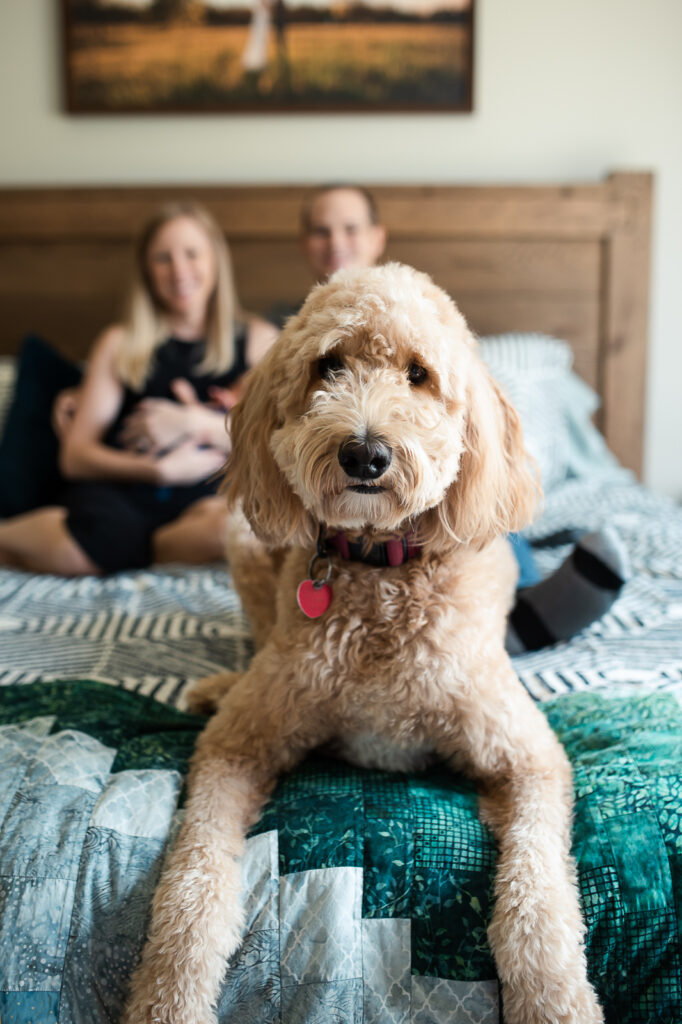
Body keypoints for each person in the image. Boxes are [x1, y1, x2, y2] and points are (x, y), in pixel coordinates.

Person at [270, 184, 631, 651]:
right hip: (324, 508)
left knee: (474, 474)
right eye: (321, 230)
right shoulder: (283, 327)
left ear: (377, 237)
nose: (336, 241)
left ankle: (515, 609)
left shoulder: (422, 312)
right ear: (304, 243)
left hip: (423, 489)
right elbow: (262, 411)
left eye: (350, 228)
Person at [0, 201, 277, 577]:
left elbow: (280, 444)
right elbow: (76, 456)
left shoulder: (259, 341)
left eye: (192, 253)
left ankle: (145, 551)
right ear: (147, 270)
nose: (179, 270)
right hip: (123, 490)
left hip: (205, 495)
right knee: (92, 544)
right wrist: (158, 471)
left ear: (215, 260)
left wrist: (194, 423)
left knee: (230, 529)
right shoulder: (120, 343)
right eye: (163, 257)